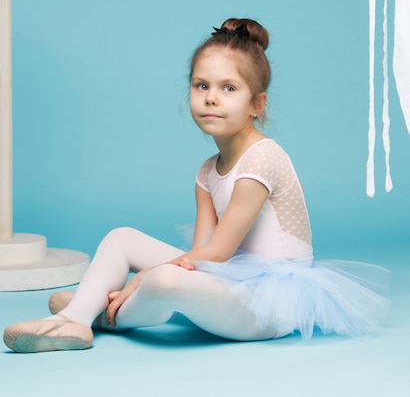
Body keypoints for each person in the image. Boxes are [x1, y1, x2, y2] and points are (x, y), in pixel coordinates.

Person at [3, 18, 389, 353]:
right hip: (228, 283)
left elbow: (217, 252)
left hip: (267, 305)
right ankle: (76, 317)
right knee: (122, 237)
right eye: (201, 86)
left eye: (228, 88)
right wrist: (152, 276)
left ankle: (104, 312)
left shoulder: (264, 158)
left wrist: (141, 279)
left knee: (165, 279)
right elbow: (200, 254)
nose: (211, 99)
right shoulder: (208, 171)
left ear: (257, 103)